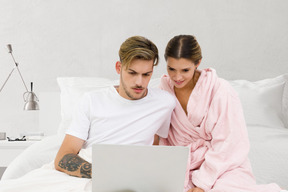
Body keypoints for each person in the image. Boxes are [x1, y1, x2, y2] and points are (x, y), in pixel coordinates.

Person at [0, 36, 175, 191]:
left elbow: (157, 145)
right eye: (132, 73)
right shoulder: (92, 100)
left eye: (147, 74)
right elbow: (63, 157)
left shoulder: (164, 102)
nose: (140, 82)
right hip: (89, 166)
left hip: (131, 172)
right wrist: (106, 174)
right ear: (118, 67)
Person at [158, 35, 285, 192]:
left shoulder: (220, 90)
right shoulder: (163, 91)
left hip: (222, 165)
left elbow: (229, 142)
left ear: (197, 63)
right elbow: (161, 137)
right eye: (171, 69)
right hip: (183, 166)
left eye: (185, 70)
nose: (177, 77)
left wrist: (202, 184)